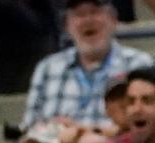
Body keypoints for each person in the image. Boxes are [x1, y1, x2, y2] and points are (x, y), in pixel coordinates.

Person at [22, 0, 151, 134]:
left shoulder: (140, 64)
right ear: (67, 26)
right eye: (79, 15)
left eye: (95, 12)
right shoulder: (47, 68)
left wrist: (82, 132)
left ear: (114, 20)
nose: (88, 20)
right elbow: (28, 128)